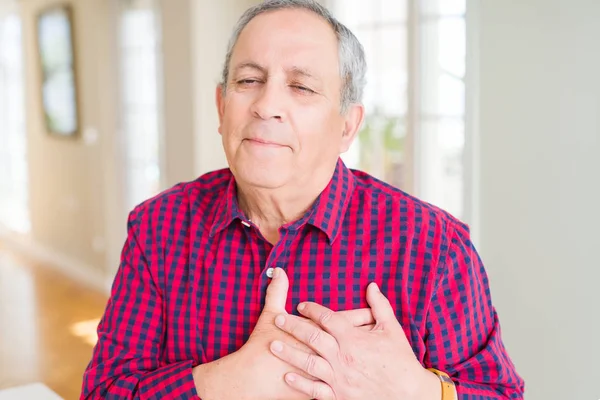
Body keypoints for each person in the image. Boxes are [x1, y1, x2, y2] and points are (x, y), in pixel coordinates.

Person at [81, 0, 525, 399]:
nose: (266, 104)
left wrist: (421, 392)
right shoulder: (158, 227)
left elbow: (502, 393)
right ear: (221, 108)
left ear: (347, 126)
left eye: (302, 87)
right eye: (249, 79)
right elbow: (102, 391)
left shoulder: (433, 245)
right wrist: (226, 381)